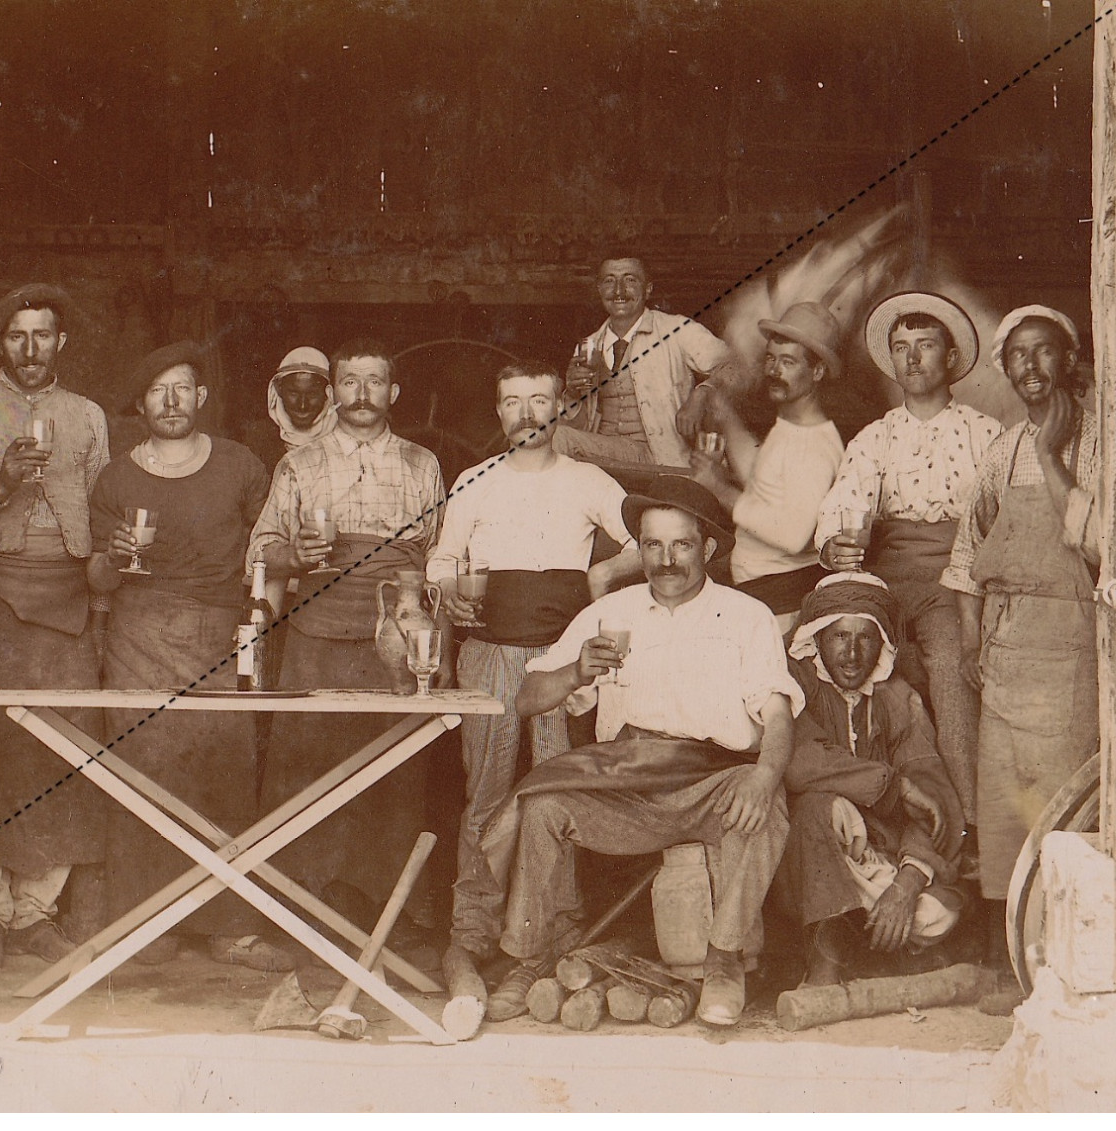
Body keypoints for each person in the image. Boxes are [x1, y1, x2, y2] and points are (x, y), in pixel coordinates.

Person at [480, 475, 802, 1028]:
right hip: (625, 785)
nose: (666, 559)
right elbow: (529, 698)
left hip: (708, 779)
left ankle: (725, 962)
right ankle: (528, 959)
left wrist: (765, 776)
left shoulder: (746, 616)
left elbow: (776, 714)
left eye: (680, 544)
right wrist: (576, 671)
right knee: (543, 807)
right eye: (652, 545)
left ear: (709, 548)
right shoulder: (611, 615)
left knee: (763, 806)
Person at [424, 360, 643, 1004]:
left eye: (539, 400)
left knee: (557, 790)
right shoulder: (475, 482)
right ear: (498, 412)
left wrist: (603, 579)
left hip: (563, 656)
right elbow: (440, 560)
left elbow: (645, 539)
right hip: (489, 652)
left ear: (559, 410)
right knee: (487, 794)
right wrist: (445, 593)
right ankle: (475, 927)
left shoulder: (589, 479)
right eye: (513, 401)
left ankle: (555, 929)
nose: (527, 413)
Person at [87, 341, 292, 971]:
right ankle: (149, 926)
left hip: (218, 637)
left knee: (222, 778)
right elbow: (96, 581)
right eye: (157, 391)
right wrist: (114, 557)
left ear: (201, 398)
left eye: (183, 389)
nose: (171, 402)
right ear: (141, 403)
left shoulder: (238, 464)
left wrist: (263, 618)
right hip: (137, 637)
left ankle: (230, 928)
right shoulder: (116, 475)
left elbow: (272, 555)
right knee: (143, 780)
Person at [247, 338, 447, 932]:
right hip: (318, 629)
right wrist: (293, 554)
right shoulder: (298, 466)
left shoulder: (422, 463)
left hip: (400, 632)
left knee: (396, 770)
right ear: (333, 393)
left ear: (394, 393)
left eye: (375, 381)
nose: (362, 394)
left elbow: (441, 553)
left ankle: (398, 913)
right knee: (311, 763)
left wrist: (420, 608)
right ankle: (301, 911)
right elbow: (258, 551)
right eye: (350, 381)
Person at [0, 283, 111, 967]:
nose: (30, 348)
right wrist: (5, 480)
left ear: (61, 341)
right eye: (17, 335)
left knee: (60, 756)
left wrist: (104, 591)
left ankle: (35, 912)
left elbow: (104, 507)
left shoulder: (88, 415)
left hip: (68, 597)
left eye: (42, 334)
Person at [941, 306, 1100, 945]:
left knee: (1061, 802)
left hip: (1071, 649)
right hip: (1005, 649)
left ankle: (1063, 949)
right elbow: (965, 556)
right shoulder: (999, 451)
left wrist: (1047, 449)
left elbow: (1096, 545)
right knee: (1006, 803)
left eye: (1044, 352)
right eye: (1018, 356)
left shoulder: (1097, 440)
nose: (1031, 367)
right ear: (1004, 368)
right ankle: (1007, 951)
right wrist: (974, 641)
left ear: (1067, 359)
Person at [814, 291, 1000, 827]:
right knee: (834, 643)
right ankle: (863, 809)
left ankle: (967, 817)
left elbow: (1000, 520)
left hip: (956, 576)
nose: (913, 359)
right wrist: (836, 545)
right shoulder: (875, 437)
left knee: (946, 660)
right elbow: (846, 502)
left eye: (925, 346)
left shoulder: (985, 434)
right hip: (888, 576)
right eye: (902, 348)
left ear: (949, 359)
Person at [779, 573, 966, 986]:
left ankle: (874, 935)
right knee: (822, 806)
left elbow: (932, 793)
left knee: (937, 915)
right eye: (838, 637)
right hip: (807, 862)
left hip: (879, 861)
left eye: (865, 638)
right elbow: (799, 762)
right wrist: (892, 786)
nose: (851, 653)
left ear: (882, 645)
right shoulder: (795, 688)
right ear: (817, 641)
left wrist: (906, 886)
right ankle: (826, 954)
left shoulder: (896, 698)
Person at [691, 301, 846, 632]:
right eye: (771, 359)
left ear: (817, 372)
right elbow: (761, 478)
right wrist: (725, 415)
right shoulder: (791, 425)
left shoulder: (815, 446)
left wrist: (719, 489)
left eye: (788, 362)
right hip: (757, 590)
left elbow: (793, 536)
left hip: (779, 602)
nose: (774, 370)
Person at [555, 255, 738, 469]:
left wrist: (702, 393)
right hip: (604, 459)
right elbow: (579, 430)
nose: (619, 291)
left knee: (558, 437)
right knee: (552, 436)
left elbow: (736, 366)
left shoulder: (677, 329)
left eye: (630, 280)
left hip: (661, 457)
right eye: (609, 281)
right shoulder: (590, 345)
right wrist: (573, 395)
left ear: (648, 289)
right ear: (599, 290)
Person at [243, 346, 336, 471]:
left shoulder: (343, 437)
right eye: (293, 393)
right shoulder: (259, 438)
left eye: (312, 394)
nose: (302, 405)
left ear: (327, 394)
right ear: (279, 389)